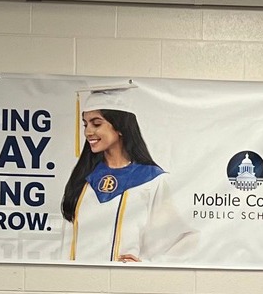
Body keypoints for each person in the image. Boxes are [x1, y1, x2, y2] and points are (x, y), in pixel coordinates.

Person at [59, 87, 196, 264]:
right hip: (76, 282)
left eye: (97, 123)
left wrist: (146, 264)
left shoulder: (151, 180)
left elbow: (183, 238)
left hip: (123, 284)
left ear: (120, 127)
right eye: (85, 124)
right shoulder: (83, 180)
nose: (87, 132)